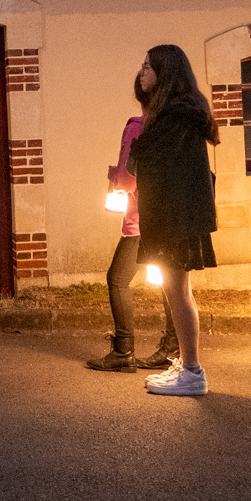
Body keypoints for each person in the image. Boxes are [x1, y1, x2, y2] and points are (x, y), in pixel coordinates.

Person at [128, 45, 219, 396]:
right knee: (177, 290)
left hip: (175, 216)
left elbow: (143, 159)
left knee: (177, 291)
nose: (141, 72)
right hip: (176, 214)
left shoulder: (175, 117)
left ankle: (192, 371)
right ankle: (187, 363)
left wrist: (138, 146)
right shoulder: (177, 112)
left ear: (164, 73)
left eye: (148, 67)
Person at [85, 76, 178, 373]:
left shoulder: (137, 128)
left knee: (117, 278)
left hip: (141, 219)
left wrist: (114, 177)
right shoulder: (171, 127)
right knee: (170, 282)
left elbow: (128, 179)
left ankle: (123, 350)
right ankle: (172, 346)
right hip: (169, 218)